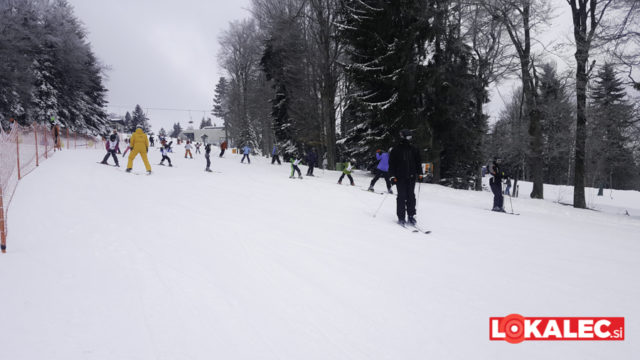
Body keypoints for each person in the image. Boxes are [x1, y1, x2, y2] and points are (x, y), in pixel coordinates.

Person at [389, 129, 423, 226]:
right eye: (408, 137)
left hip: (411, 177)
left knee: (411, 197)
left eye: (410, 137)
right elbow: (391, 164)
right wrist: (392, 176)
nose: (410, 139)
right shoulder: (396, 149)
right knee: (402, 196)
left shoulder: (414, 149)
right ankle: (401, 217)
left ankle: (411, 216)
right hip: (400, 178)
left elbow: (418, 162)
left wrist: (420, 174)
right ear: (402, 137)